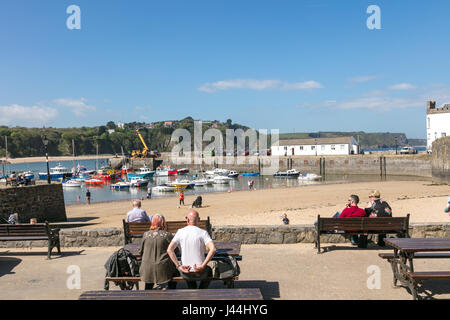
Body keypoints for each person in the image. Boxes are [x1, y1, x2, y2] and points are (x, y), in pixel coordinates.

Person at [167, 209, 216, 289]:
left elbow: (169, 250)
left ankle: (193, 289)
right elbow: (213, 249)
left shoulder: (180, 232)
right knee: (209, 270)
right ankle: (201, 290)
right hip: (201, 272)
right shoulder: (203, 232)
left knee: (186, 272)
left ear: (187, 219)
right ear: (199, 220)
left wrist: (179, 266)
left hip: (185, 272)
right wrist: (203, 266)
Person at [139, 214, 178, 290]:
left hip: (147, 269)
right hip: (163, 269)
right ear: (163, 223)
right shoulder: (167, 235)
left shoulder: (145, 234)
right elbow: (175, 251)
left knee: (149, 269)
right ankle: (172, 290)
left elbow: (141, 251)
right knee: (175, 271)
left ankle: (147, 291)